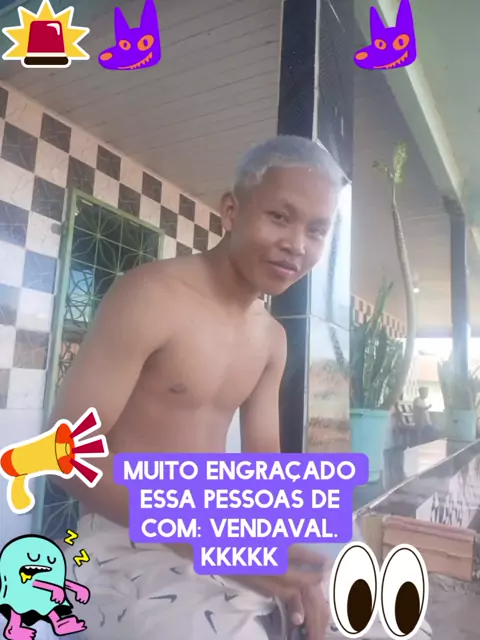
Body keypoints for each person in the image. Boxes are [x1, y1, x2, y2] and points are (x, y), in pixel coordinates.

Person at [47, 135, 341, 640]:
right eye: (280, 217)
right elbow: (63, 454)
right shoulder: (151, 296)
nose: (297, 244)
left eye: (316, 230)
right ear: (232, 210)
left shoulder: (271, 338)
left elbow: (263, 461)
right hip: (121, 542)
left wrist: (284, 556)